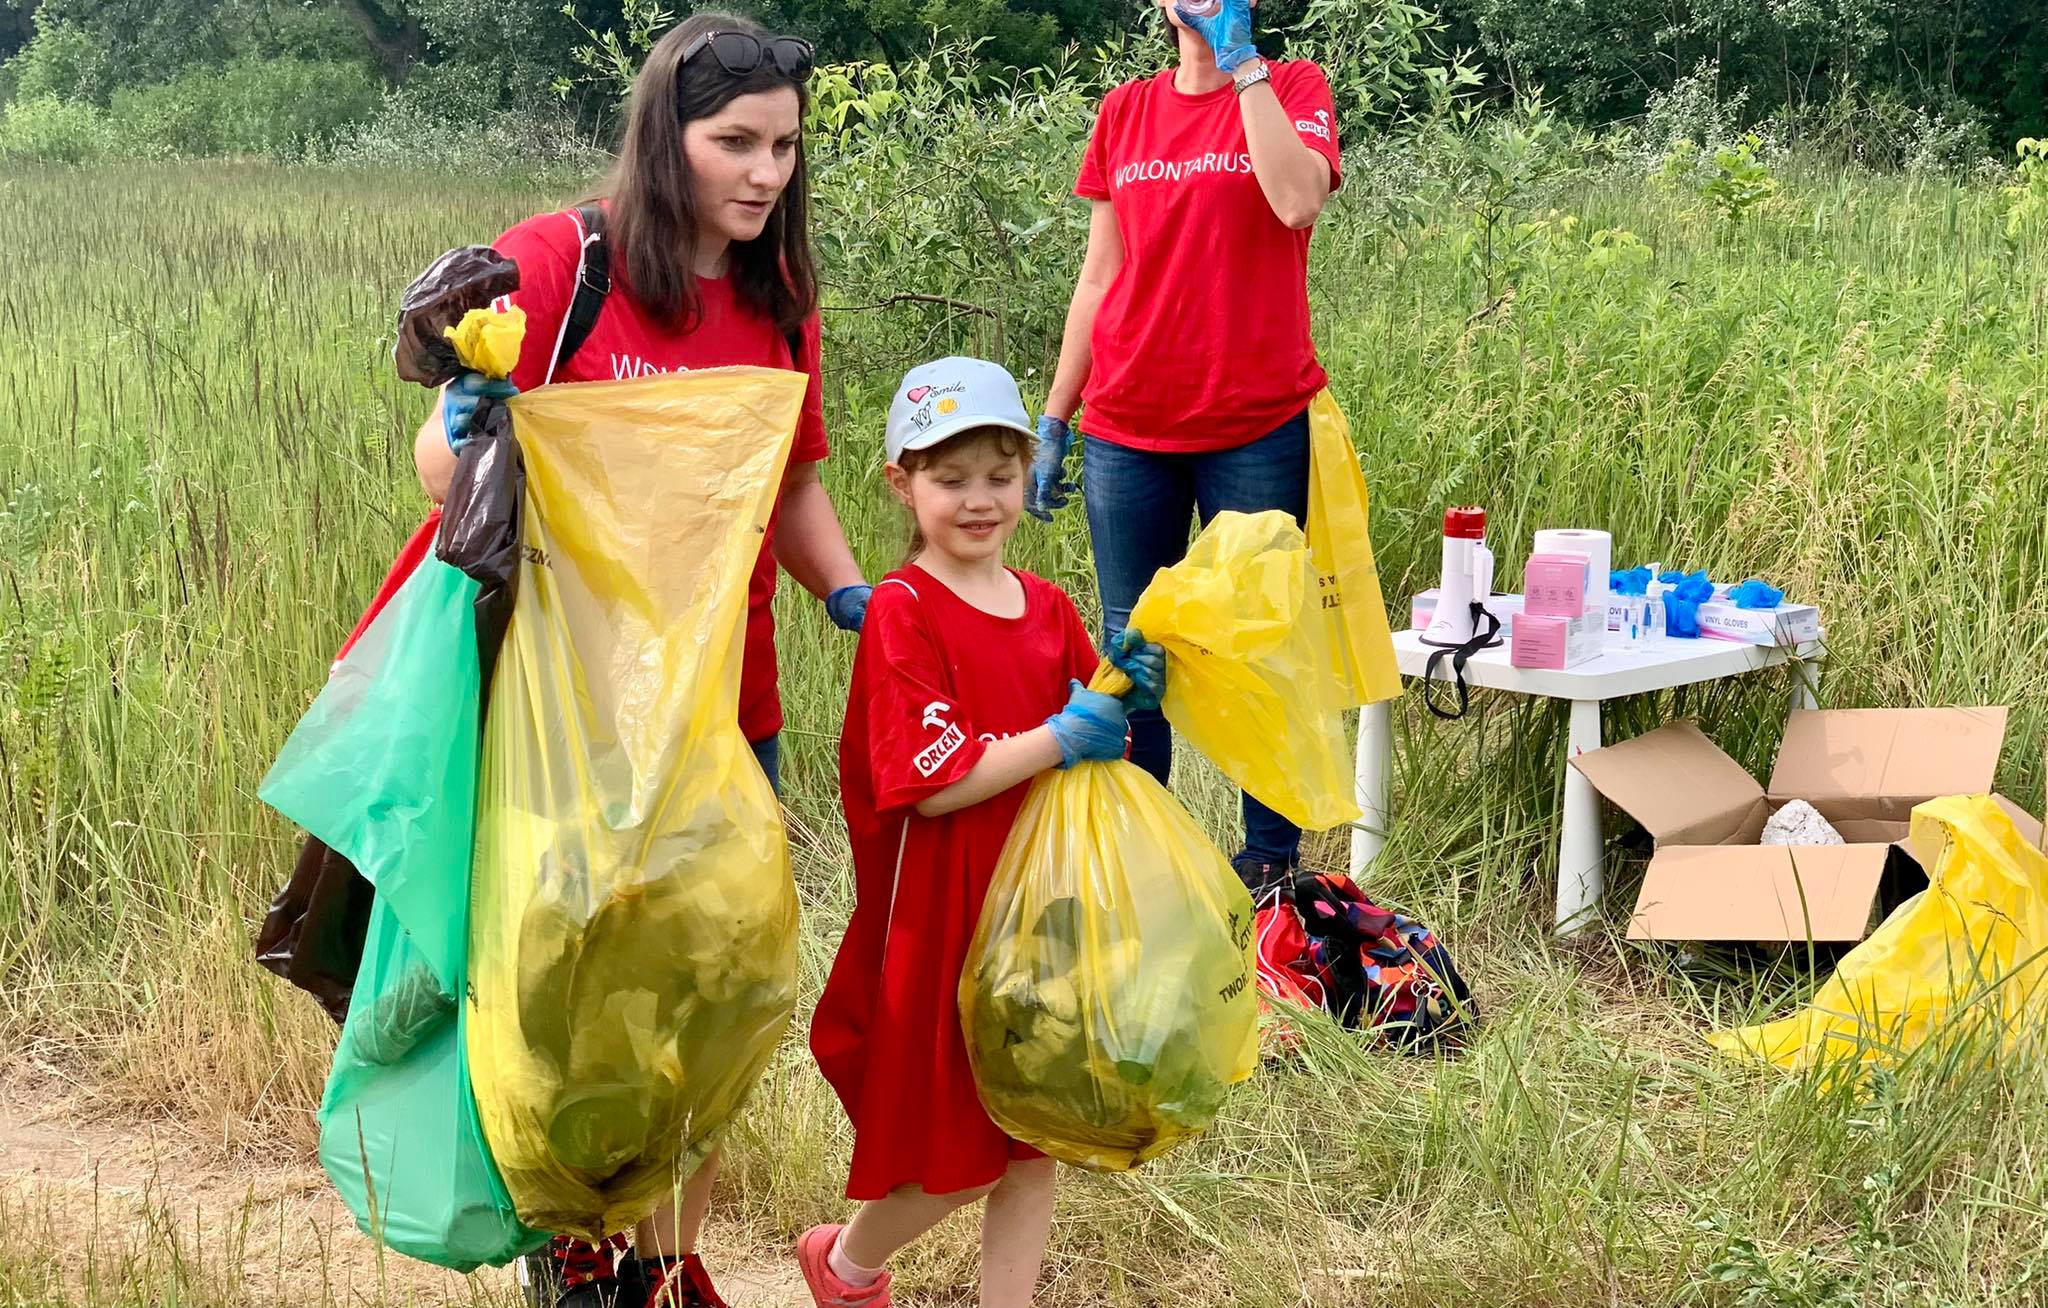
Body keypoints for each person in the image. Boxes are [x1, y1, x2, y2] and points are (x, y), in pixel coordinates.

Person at [409, 13, 870, 1308]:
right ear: (667, 133)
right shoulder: (565, 263)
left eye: (784, 144)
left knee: (706, 1003)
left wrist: (854, 596)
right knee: (570, 1006)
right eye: (736, 142)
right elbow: (443, 475)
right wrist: (464, 416)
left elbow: (793, 485)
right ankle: (575, 1253)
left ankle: (664, 1269)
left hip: (728, 711)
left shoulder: (782, 295)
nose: (767, 171)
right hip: (570, 717)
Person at [802, 358, 1166, 1308]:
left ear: (1028, 473)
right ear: (901, 483)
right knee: (959, 1157)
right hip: (946, 914)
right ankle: (844, 1268)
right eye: (949, 478)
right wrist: (1057, 736)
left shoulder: (1047, 607)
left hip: (1035, 910)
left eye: (999, 476)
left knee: (1032, 1140)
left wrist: (1130, 693)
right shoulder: (903, 610)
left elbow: (1099, 744)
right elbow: (930, 786)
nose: (978, 501)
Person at [1029, 0, 1341, 896]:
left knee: (1260, 641)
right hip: (1128, 423)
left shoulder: (1292, 87)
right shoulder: (1125, 110)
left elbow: (1297, 200)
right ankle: (1145, 856)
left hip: (1255, 420)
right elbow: (1099, 277)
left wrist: (1244, 67)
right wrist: (1057, 417)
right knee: (1137, 648)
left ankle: (1271, 865)